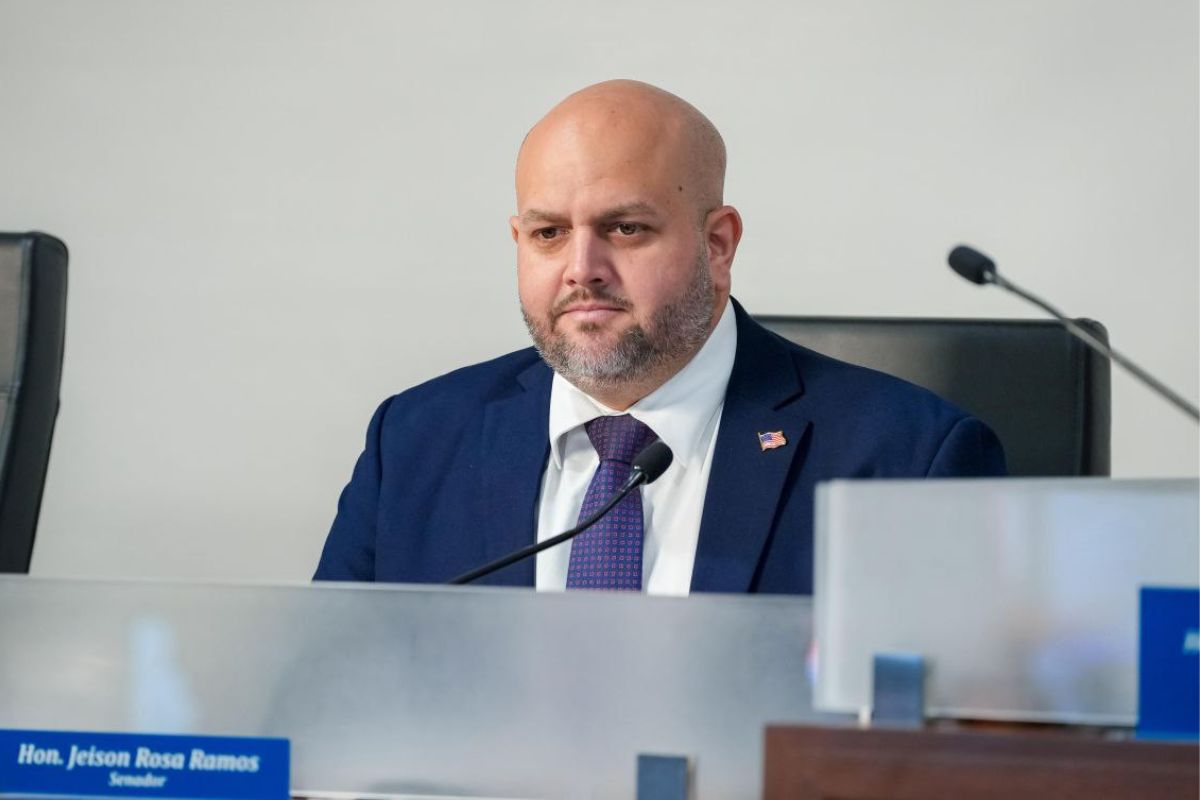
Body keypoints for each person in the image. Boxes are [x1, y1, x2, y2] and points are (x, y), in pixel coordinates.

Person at [314, 79, 1006, 594]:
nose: (582, 270)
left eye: (625, 228)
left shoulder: (909, 460)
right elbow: (325, 694)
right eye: (548, 233)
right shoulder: (414, 442)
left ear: (718, 244)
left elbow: (956, 729)